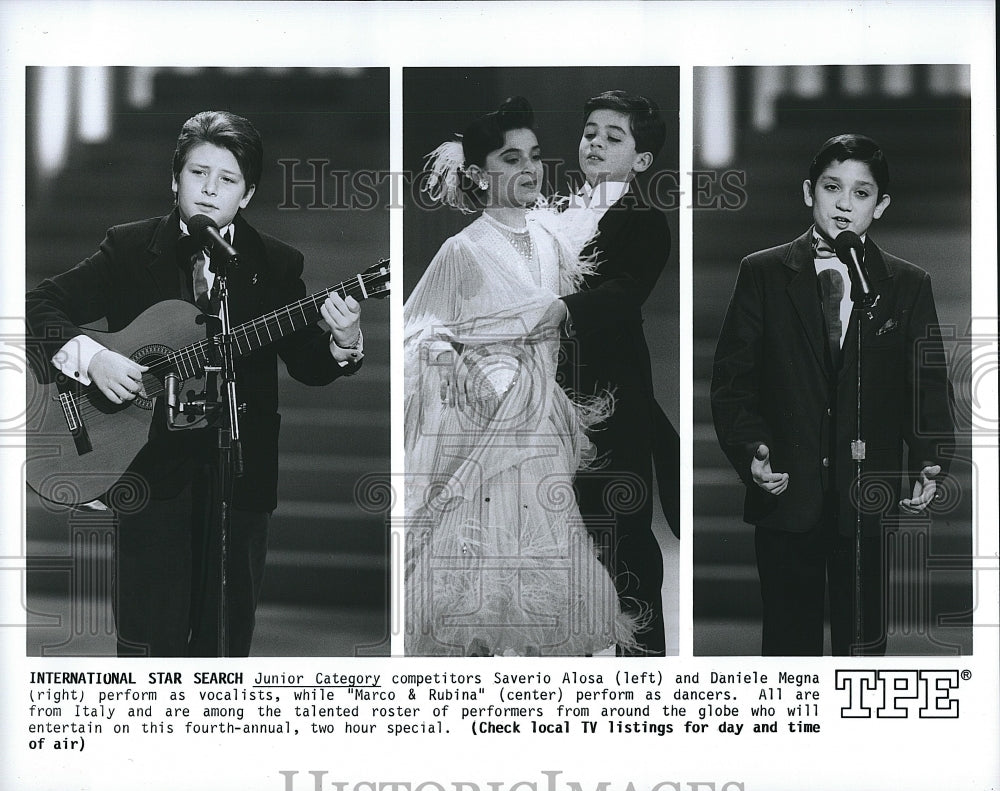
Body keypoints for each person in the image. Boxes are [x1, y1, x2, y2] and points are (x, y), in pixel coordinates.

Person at [26, 110, 364, 657]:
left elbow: (308, 363)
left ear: (247, 195)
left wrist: (342, 340)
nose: (210, 190)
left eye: (227, 180)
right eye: (197, 174)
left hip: (239, 477)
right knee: (147, 648)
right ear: (175, 180)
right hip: (149, 473)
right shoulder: (131, 249)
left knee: (224, 648)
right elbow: (37, 306)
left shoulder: (273, 264)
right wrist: (94, 360)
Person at [404, 97, 638, 656]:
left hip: (542, 428)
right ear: (481, 175)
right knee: (479, 595)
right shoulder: (460, 250)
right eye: (511, 159)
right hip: (482, 434)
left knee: (545, 593)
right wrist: (473, 374)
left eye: (534, 156)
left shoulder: (555, 238)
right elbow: (422, 333)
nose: (530, 168)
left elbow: (599, 210)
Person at [711, 133, 955, 656]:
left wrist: (931, 459)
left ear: (881, 206)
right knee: (788, 647)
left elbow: (927, 384)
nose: (845, 203)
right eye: (831, 187)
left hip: (866, 494)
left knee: (862, 644)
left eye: (861, 193)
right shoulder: (762, 273)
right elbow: (733, 382)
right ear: (808, 192)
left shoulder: (908, 285)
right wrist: (750, 449)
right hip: (786, 489)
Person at [548, 90, 678, 657]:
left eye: (613, 136)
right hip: (546, 404)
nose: (595, 142)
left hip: (612, 409)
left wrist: (556, 309)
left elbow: (622, 296)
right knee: (558, 555)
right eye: (590, 131)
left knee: (625, 555)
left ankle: (640, 680)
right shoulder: (551, 213)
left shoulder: (643, 221)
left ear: (641, 160)